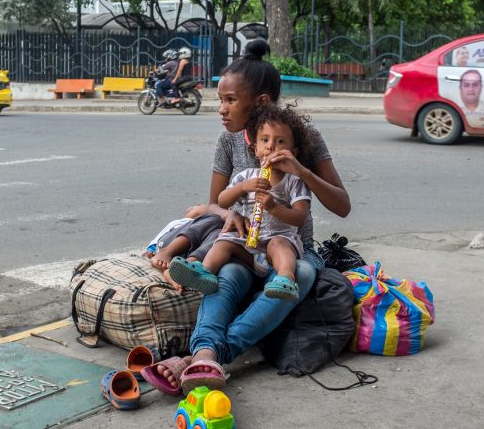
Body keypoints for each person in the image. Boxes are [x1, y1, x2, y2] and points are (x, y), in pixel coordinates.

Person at [145, 38, 351, 393]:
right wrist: (230, 215)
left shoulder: (301, 138)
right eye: (220, 100)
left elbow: (342, 206)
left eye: (230, 100)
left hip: (290, 248)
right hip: (246, 247)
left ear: (261, 102)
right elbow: (215, 203)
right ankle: (206, 352)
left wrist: (302, 170)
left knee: (301, 273)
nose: (221, 110)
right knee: (226, 274)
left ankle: (209, 356)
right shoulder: (228, 141)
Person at [167, 103, 313, 301]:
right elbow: (221, 200)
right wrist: (242, 188)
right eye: (265, 140)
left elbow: (300, 217)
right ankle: (204, 272)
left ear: (292, 153)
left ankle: (285, 279)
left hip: (277, 250)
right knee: (225, 241)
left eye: (280, 141)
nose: (270, 146)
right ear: (255, 148)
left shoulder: (294, 182)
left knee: (279, 243)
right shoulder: (246, 177)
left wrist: (273, 207)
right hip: (252, 254)